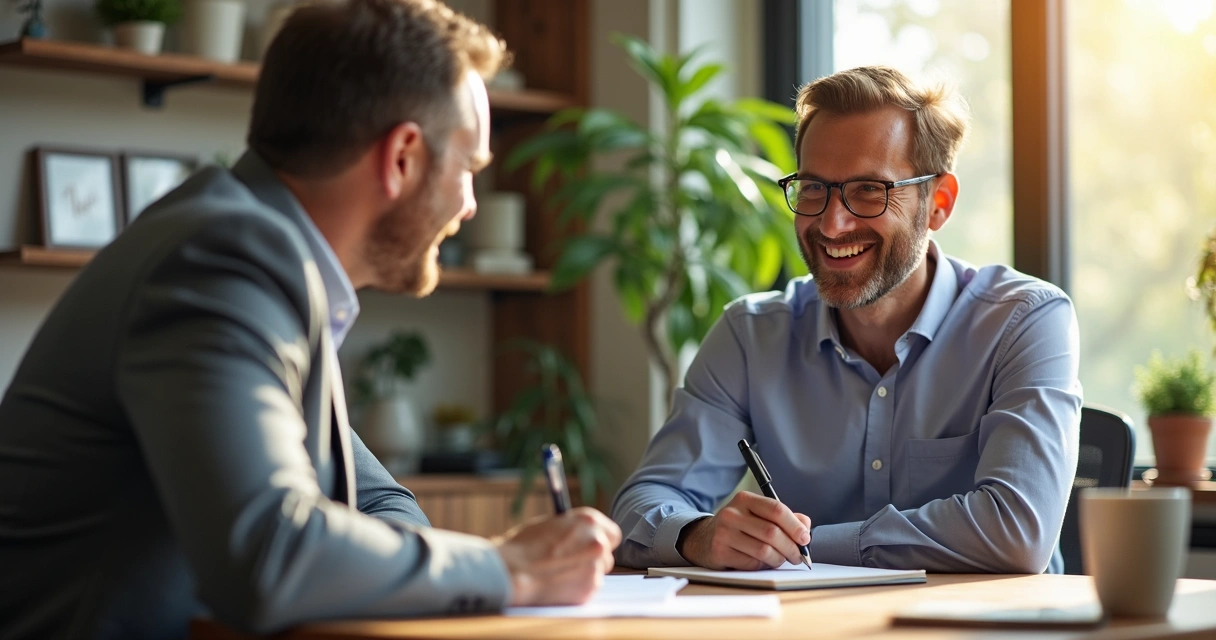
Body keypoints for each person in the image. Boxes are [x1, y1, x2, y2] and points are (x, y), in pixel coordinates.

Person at [0, 0, 620, 637]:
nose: (468, 207)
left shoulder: (256, 255)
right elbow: (269, 555)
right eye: (468, 169)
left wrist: (478, 565)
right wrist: (506, 568)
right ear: (402, 156)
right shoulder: (223, 260)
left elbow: (379, 503)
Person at [611, 66, 1081, 576]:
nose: (832, 224)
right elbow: (645, 501)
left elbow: (1018, 532)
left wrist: (803, 549)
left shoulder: (1024, 322)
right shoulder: (750, 335)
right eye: (813, 188)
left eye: (868, 191)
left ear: (938, 203)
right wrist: (697, 536)